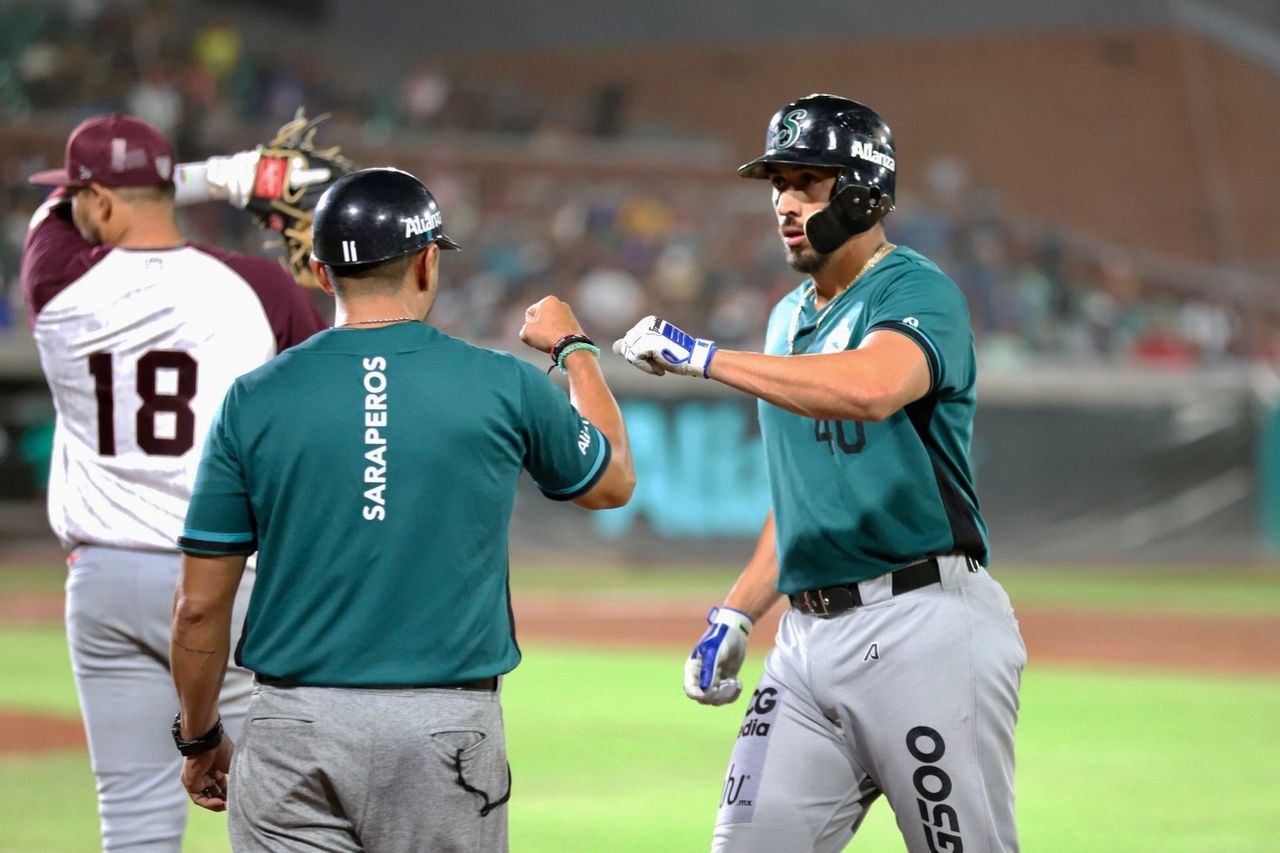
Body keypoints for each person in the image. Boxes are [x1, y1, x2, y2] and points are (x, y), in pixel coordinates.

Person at [169, 167, 635, 852]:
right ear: (426, 262)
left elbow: (198, 607)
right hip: (444, 728)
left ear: (322, 273)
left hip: (290, 729)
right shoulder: (501, 383)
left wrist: (200, 735)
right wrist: (576, 351)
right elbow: (612, 481)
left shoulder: (255, 397)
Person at [614, 94, 1026, 852]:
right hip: (805, 643)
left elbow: (874, 387)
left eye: (808, 181)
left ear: (865, 191)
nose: (784, 202)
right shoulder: (785, 318)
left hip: (922, 625)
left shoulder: (915, 290)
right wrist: (738, 612)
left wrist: (705, 358)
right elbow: (806, 500)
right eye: (778, 184)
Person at [20, 112, 325, 852]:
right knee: (275, 818)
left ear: (97, 198)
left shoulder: (56, 282)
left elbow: (49, 215)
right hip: (226, 578)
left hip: (105, 579)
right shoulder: (258, 287)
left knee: (134, 821)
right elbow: (325, 403)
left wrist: (217, 175)